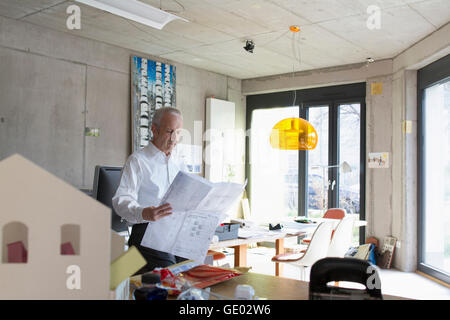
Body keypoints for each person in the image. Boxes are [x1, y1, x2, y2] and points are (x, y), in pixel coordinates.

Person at [112, 107, 187, 273]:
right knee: (171, 275)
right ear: (154, 129)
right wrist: (143, 212)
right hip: (147, 234)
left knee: (193, 271)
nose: (174, 139)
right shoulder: (138, 161)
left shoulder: (179, 161)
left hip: (175, 232)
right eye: (169, 131)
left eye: (179, 132)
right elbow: (121, 200)